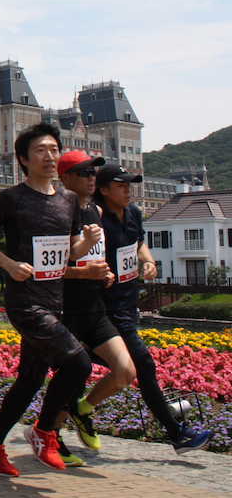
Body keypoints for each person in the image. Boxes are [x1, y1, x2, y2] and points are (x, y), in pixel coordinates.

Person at [0, 122, 102, 476]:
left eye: (52, 149)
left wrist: (87, 244)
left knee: (30, 379)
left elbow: (68, 253)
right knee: (78, 364)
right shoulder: (11, 199)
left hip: (54, 300)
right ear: (23, 159)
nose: (49, 156)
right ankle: (44, 431)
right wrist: (9, 264)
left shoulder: (69, 201)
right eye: (40, 150)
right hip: (25, 301)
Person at [94, 164, 214, 453]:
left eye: (130, 185)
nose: (128, 190)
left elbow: (138, 244)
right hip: (103, 307)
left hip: (128, 303)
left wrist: (148, 261)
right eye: (121, 185)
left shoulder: (133, 213)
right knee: (143, 366)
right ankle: (177, 434)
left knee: (93, 367)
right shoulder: (96, 218)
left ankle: (70, 411)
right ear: (104, 189)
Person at [54, 151, 136, 465]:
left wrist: (103, 271)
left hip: (95, 306)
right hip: (68, 308)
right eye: (84, 171)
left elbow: (91, 256)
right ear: (66, 177)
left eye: (93, 171)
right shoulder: (60, 211)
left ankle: (83, 408)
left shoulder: (95, 211)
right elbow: (49, 267)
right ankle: (51, 434)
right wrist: (84, 272)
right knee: (70, 377)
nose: (91, 177)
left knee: (125, 370)